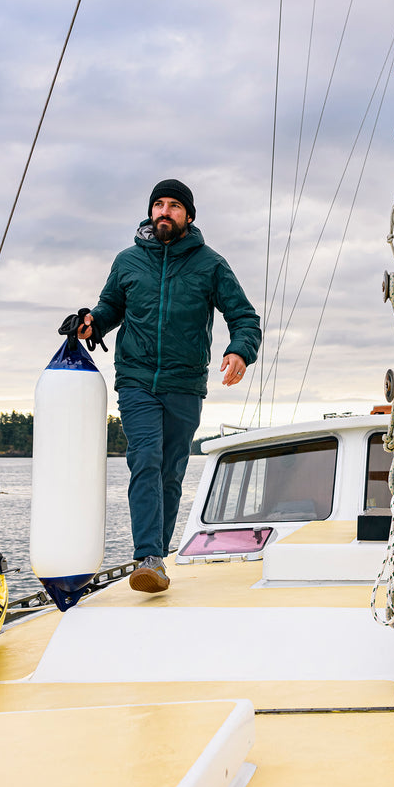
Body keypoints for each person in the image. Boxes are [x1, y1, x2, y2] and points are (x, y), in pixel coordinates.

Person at [76, 178, 261, 593]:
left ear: (188, 216)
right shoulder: (127, 261)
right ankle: (148, 556)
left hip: (185, 383)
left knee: (171, 470)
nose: (164, 211)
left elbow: (244, 316)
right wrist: (91, 323)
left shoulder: (210, 264)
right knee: (144, 459)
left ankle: (155, 558)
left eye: (174, 205)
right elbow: (110, 308)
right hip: (137, 379)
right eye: (158, 204)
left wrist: (240, 351)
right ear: (150, 212)